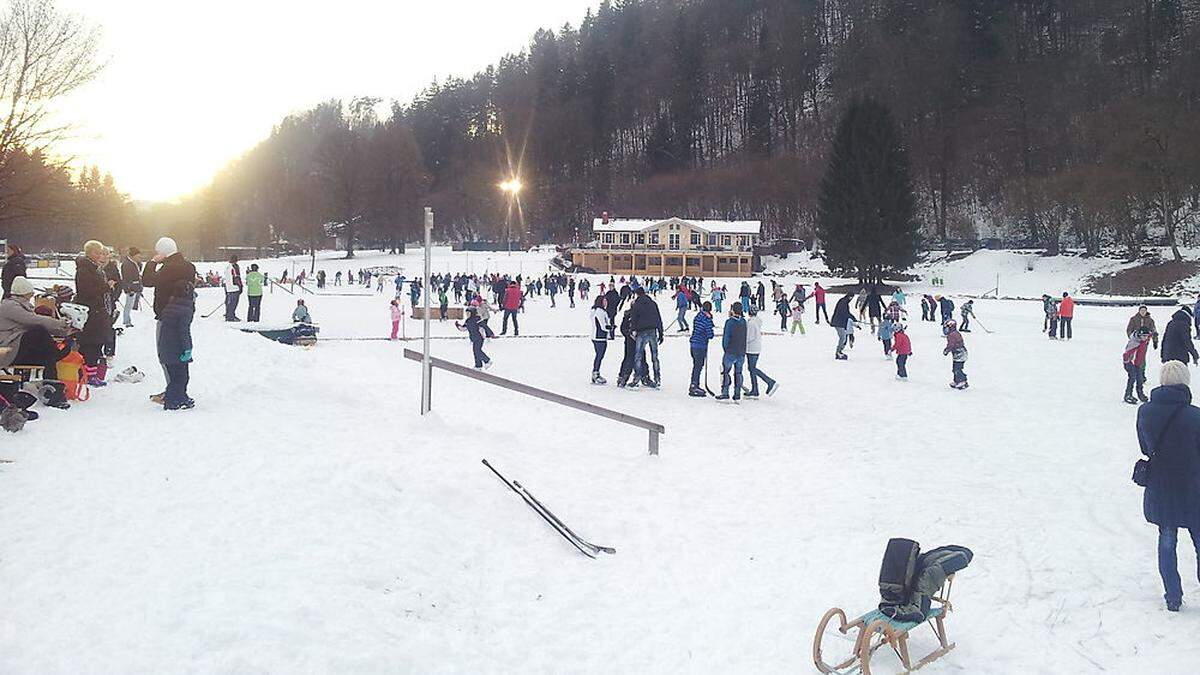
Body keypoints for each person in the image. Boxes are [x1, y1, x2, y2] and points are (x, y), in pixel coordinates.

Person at [1135, 360, 1200, 612]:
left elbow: (1144, 447)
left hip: (1161, 485)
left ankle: (1172, 595)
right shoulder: (1195, 415)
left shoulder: (1145, 411)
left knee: (1166, 540)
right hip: (1193, 486)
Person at [141, 237, 197, 407]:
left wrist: (152, 262)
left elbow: (148, 281)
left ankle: (172, 391)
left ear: (163, 252)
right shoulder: (189, 266)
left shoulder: (169, 268)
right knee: (180, 349)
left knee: (166, 354)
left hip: (166, 314)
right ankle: (176, 391)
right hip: (184, 311)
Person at [0, 276, 73, 408]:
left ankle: (54, 394)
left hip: (16, 349)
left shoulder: (22, 305)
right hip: (7, 351)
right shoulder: (9, 306)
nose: (32, 293)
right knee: (37, 332)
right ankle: (54, 392)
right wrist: (61, 324)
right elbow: (35, 321)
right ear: (25, 292)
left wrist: (64, 332)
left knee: (47, 355)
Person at [74, 240, 113, 386]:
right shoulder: (84, 270)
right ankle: (88, 375)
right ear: (89, 253)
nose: (99, 255)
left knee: (96, 343)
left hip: (97, 310)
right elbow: (86, 291)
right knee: (91, 343)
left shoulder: (95, 268)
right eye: (97, 252)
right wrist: (105, 287)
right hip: (91, 312)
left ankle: (90, 373)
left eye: (101, 252)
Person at [158, 265, 196, 410]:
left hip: (166, 347)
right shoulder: (185, 310)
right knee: (181, 378)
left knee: (176, 377)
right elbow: (183, 331)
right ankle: (172, 402)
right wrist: (187, 349)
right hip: (177, 350)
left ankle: (180, 397)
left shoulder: (170, 306)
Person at [628, 287, 663, 389]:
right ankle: (657, 379)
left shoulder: (636, 305)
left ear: (637, 294)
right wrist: (661, 333)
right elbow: (658, 318)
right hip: (652, 331)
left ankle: (637, 378)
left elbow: (634, 319)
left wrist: (632, 331)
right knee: (655, 357)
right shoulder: (653, 303)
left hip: (641, 331)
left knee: (638, 356)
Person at [743, 308, 778, 398]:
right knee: (752, 368)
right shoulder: (757, 322)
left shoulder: (751, 323)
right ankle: (755, 389)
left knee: (752, 368)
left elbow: (749, 337)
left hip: (751, 349)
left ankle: (770, 382)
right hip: (756, 348)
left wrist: (741, 341)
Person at [716, 303, 747, 402]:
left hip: (731, 351)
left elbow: (726, 338)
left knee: (726, 372)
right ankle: (737, 393)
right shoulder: (743, 322)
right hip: (741, 351)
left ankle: (725, 392)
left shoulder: (729, 322)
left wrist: (726, 349)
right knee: (738, 373)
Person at [689, 301, 715, 397]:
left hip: (693, 344)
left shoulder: (698, 316)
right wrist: (710, 324)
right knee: (698, 366)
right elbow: (710, 334)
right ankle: (694, 385)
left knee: (696, 365)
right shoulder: (706, 320)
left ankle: (695, 384)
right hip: (700, 345)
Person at [1124, 328, 1153, 404]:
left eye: (1146, 336)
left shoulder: (1144, 340)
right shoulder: (1134, 343)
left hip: (1138, 363)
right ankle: (1128, 395)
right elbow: (1126, 354)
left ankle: (1140, 394)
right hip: (1131, 363)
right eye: (1143, 336)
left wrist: (1153, 334)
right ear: (1139, 335)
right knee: (1132, 378)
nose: (1145, 338)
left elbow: (1150, 335)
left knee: (1140, 379)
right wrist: (1127, 362)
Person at [590, 296, 611, 384]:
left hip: (596, 336)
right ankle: (595, 374)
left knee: (599, 356)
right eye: (604, 301)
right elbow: (603, 326)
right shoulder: (600, 312)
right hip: (600, 337)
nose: (606, 303)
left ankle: (596, 373)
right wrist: (610, 328)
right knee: (599, 356)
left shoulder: (595, 310)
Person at [120, 247, 143, 328]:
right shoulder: (127, 264)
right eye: (138, 256)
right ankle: (127, 321)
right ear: (133, 255)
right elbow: (126, 278)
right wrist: (129, 289)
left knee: (130, 304)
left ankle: (127, 320)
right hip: (131, 289)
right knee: (128, 305)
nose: (139, 258)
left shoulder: (134, 263)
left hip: (135, 287)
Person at [943, 319, 968, 389]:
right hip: (958, 353)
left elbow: (951, 344)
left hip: (960, 353)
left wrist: (947, 350)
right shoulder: (954, 333)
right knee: (955, 368)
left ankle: (963, 380)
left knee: (957, 368)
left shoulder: (952, 335)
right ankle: (956, 380)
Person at [830, 293, 855, 360]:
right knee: (843, 337)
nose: (851, 299)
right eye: (851, 297)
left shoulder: (844, 301)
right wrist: (852, 317)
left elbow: (846, 313)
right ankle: (838, 352)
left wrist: (852, 318)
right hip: (838, 322)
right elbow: (845, 313)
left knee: (843, 337)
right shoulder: (844, 302)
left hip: (840, 322)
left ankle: (839, 351)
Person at [223, 255, 243, 321]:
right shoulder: (235, 267)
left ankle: (229, 315)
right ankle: (230, 317)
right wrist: (240, 286)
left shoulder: (227, 267)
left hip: (228, 287)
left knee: (229, 303)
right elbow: (237, 277)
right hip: (235, 288)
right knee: (233, 304)